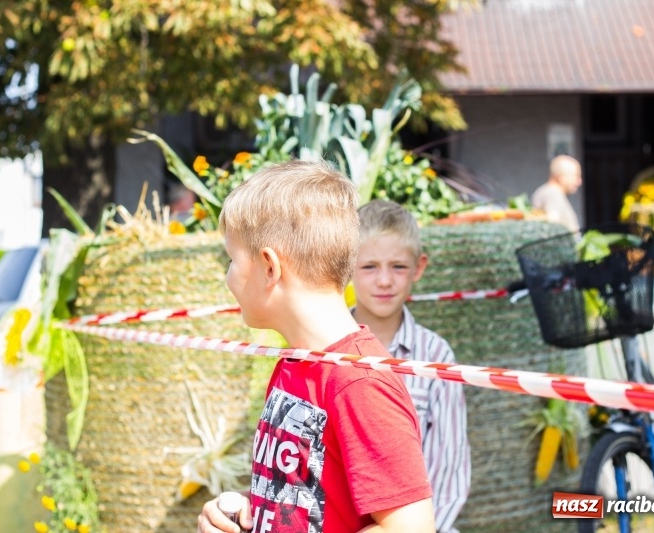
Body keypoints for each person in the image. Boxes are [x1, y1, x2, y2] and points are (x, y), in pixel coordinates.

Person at [197, 160, 435, 533]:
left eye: (231, 259)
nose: (227, 277)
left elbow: (410, 528)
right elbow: (304, 500)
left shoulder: (361, 382)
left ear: (270, 267)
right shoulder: (295, 363)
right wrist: (250, 508)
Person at [351, 200, 470, 533]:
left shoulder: (435, 355)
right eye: (369, 266)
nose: (384, 280)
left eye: (398, 267)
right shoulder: (322, 350)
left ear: (419, 268)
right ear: (346, 265)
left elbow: (449, 470)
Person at [530, 155, 583, 232]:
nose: (579, 182)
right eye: (576, 176)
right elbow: (553, 225)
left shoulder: (549, 192)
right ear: (560, 177)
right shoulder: (552, 193)